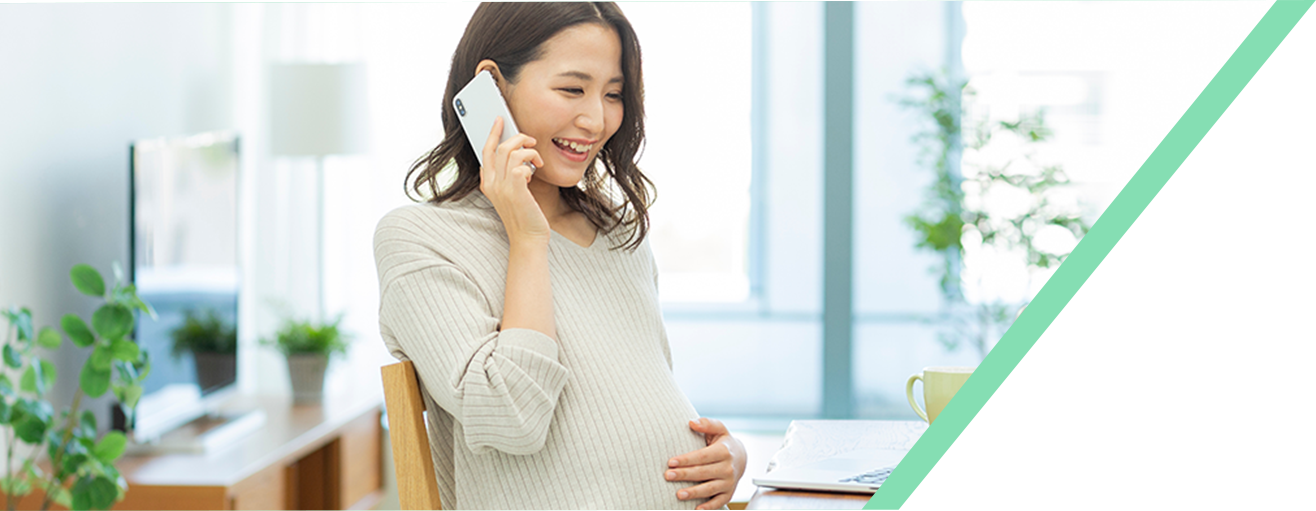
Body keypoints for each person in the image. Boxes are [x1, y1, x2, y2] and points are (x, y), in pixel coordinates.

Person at [372, 1, 747, 510]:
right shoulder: (420, 238)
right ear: (492, 86)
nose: (596, 119)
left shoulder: (616, 232)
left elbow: (628, 407)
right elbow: (511, 419)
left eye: (613, 94)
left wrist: (726, 455)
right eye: (572, 88)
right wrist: (527, 239)